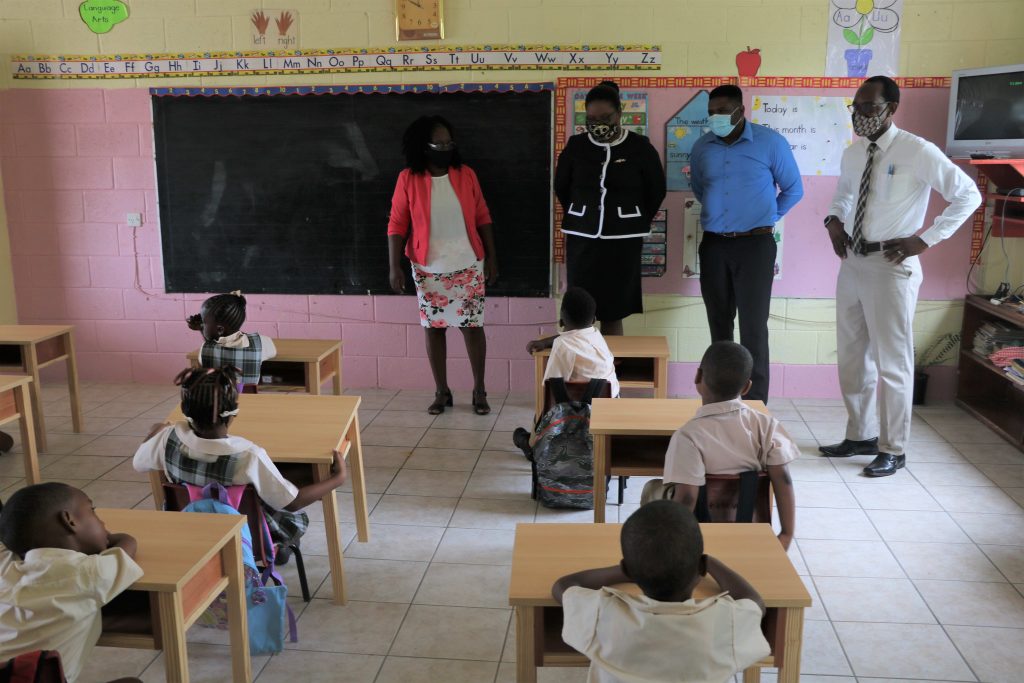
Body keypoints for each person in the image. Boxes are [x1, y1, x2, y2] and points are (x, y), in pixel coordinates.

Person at [821, 76, 982, 477]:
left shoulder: (917, 150)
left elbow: (969, 195)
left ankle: (894, 448)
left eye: (870, 108)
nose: (860, 116)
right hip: (853, 262)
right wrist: (834, 221)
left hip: (893, 266)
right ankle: (860, 434)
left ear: (891, 108)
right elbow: (844, 193)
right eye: (855, 108)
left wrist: (925, 240)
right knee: (852, 356)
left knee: (892, 362)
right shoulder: (853, 154)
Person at [133, 366, 347, 564]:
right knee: (285, 508)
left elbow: (138, 463)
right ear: (233, 412)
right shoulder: (248, 455)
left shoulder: (167, 438)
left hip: (189, 532)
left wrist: (156, 432)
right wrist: (337, 479)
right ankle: (275, 547)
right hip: (248, 537)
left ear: (185, 409)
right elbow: (292, 502)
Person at [552, 500, 770, 683]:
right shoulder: (724, 621)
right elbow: (754, 601)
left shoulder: (604, 613)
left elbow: (564, 586)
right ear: (700, 568)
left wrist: (630, 569)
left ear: (628, 570)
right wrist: (710, 562)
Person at [689, 84, 804, 403]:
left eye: (723, 112)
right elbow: (700, 190)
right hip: (714, 245)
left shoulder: (770, 143)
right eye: (711, 113)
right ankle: (719, 397)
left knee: (753, 327)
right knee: (719, 325)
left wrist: (765, 217)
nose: (716, 118)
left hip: (756, 246)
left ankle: (756, 401)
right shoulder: (702, 147)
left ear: (741, 111)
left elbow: (794, 190)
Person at [387, 115, 499, 415]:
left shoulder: (466, 175)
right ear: (423, 147)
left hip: (469, 263)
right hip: (427, 266)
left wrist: (492, 258)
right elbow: (397, 223)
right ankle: (442, 392)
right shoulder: (408, 179)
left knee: (472, 327)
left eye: (449, 142)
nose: (446, 147)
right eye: (439, 143)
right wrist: (394, 267)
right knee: (434, 329)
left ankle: (479, 391)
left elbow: (483, 216)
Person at [554, 80, 666, 337]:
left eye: (606, 117)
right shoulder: (576, 146)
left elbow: (656, 190)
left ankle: (610, 371)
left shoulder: (640, 147)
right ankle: (582, 369)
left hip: (623, 241)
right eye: (592, 118)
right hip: (582, 238)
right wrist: (583, 213)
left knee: (613, 310)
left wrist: (634, 220)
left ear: (620, 113)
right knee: (579, 311)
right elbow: (562, 187)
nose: (599, 123)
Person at [0, 483, 144, 683]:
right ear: (69, 520)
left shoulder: (4, 567)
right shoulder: (87, 572)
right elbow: (127, 548)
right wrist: (110, 537)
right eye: (92, 512)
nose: (102, 522)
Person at [663, 341, 797, 549]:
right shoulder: (767, 425)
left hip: (701, 534)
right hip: (753, 529)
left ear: (697, 377)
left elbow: (687, 498)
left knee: (652, 489)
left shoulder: (687, 436)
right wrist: (786, 534)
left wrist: (670, 546)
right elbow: (784, 479)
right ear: (746, 387)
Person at [513, 287, 619, 457]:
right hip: (608, 414)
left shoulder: (562, 347)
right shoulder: (596, 335)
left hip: (577, 421)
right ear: (593, 319)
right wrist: (548, 342)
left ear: (561, 318)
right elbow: (575, 335)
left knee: (543, 408)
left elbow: (549, 389)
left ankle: (532, 446)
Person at [186, 291, 277, 388]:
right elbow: (273, 353)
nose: (201, 325)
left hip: (217, 401)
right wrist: (203, 328)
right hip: (248, 400)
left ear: (220, 329)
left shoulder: (205, 349)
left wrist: (201, 330)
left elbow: (212, 346)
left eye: (203, 323)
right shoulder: (262, 343)